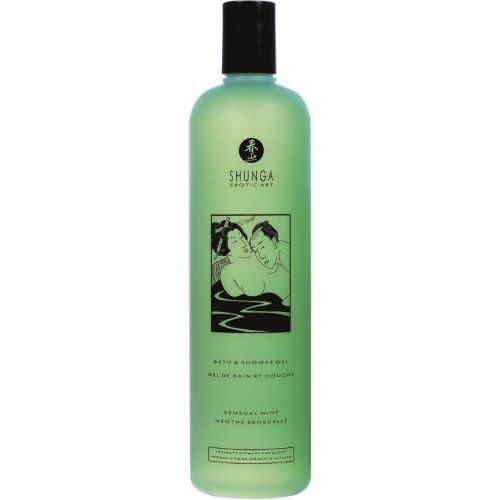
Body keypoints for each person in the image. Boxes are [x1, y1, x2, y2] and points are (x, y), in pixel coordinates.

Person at [211, 220, 289, 305]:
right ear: (225, 249)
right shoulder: (227, 274)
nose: (244, 244)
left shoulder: (260, 252)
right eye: (235, 241)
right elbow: (238, 304)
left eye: (241, 237)